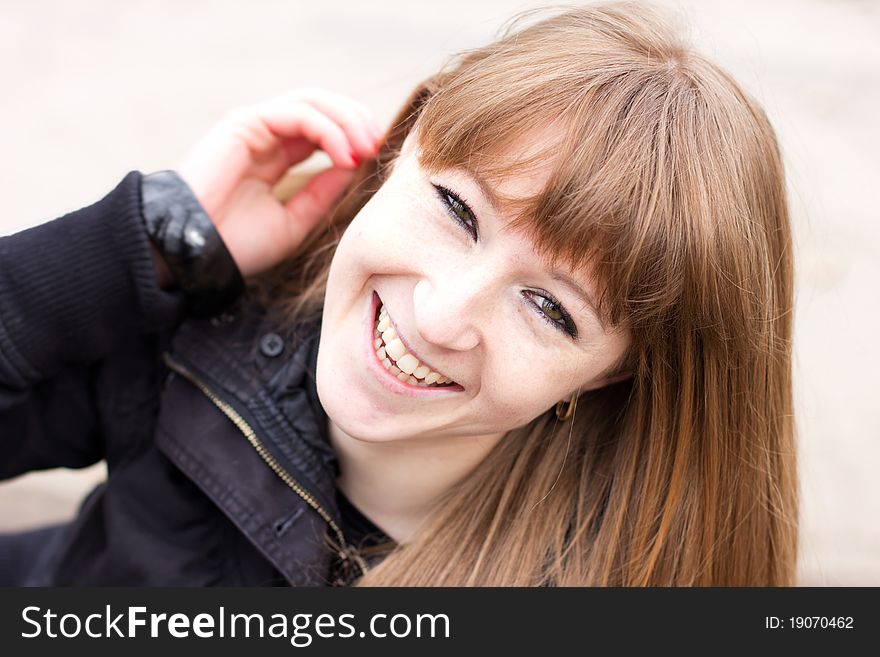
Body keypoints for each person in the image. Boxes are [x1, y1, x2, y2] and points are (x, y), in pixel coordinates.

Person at [0, 1, 797, 586]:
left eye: (551, 308)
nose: (442, 314)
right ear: (398, 147)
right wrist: (148, 245)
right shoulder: (218, 321)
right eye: (458, 210)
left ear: (610, 374)